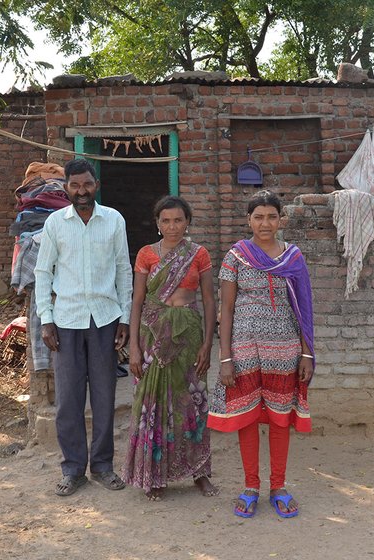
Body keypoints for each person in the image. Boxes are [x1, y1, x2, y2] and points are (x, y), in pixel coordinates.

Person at [207, 190, 314, 519]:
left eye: (271, 216)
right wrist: (225, 358)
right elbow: (225, 309)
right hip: (244, 348)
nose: (265, 223)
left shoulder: (293, 258)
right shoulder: (235, 256)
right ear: (248, 220)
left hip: (284, 350)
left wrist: (307, 354)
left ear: (281, 219)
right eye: (258, 217)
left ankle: (278, 486)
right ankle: (251, 486)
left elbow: (305, 310)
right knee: (248, 417)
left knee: (281, 418)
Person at [34, 158, 133, 497]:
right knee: (68, 399)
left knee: (104, 395)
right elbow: (43, 273)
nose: (81, 191)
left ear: (96, 185)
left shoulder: (114, 220)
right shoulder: (55, 224)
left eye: (87, 184)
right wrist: (46, 319)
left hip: (105, 319)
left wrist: (125, 317)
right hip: (66, 321)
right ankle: (73, 469)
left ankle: (103, 466)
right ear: (66, 188)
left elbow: (124, 270)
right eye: (75, 186)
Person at [122, 196, 218, 501]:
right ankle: (155, 475)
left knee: (193, 402)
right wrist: (134, 347)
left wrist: (207, 344)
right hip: (153, 332)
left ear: (187, 222)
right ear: (158, 223)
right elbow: (137, 301)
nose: (172, 226)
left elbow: (208, 300)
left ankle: (200, 472)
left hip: (188, 333)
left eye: (178, 220)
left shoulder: (199, 254)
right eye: (166, 221)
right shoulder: (147, 254)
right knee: (152, 405)